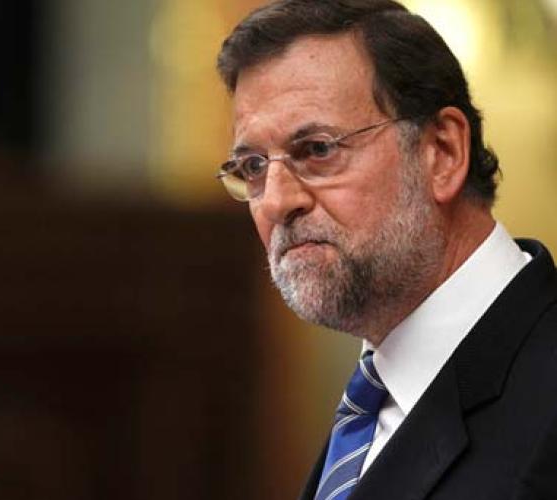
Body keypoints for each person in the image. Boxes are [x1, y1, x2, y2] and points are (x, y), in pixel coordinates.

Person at [214, 1, 557, 499]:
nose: (277, 202)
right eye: (253, 167)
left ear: (443, 153)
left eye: (318, 149)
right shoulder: (372, 403)